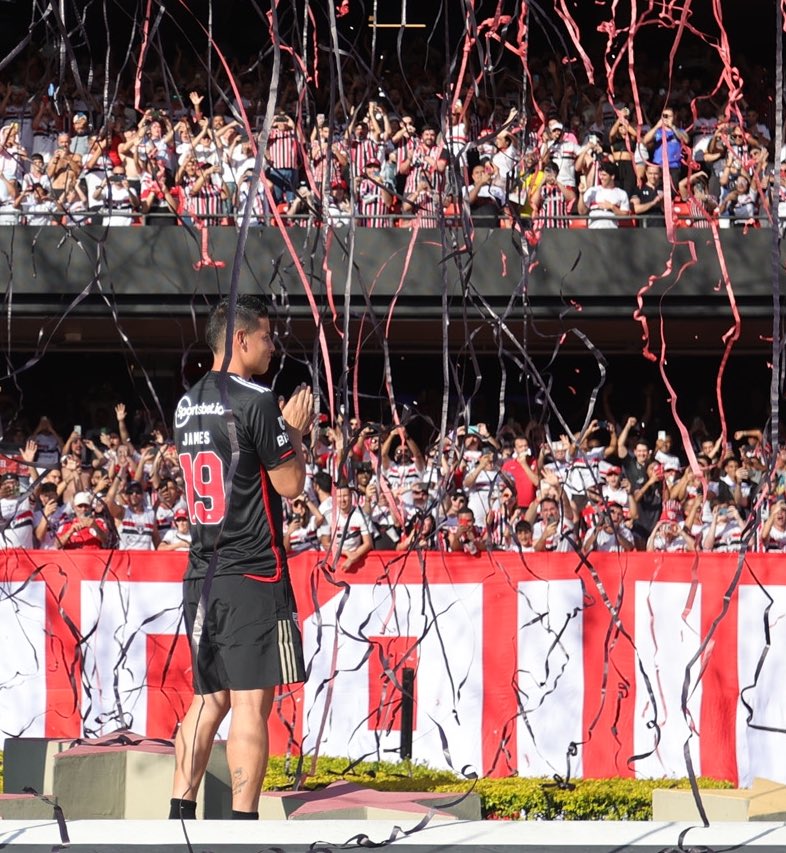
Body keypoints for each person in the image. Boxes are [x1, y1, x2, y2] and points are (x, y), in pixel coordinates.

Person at [170, 294, 311, 821]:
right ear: (242, 339)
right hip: (252, 571)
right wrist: (295, 432)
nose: (274, 348)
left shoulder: (187, 402)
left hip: (201, 572)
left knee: (208, 702)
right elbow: (291, 484)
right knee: (251, 705)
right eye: (269, 337)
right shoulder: (256, 400)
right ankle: (242, 828)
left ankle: (178, 817)